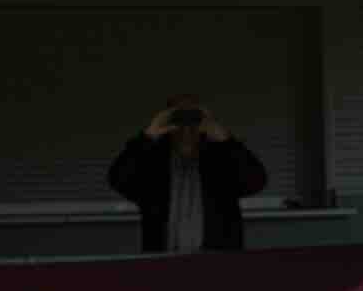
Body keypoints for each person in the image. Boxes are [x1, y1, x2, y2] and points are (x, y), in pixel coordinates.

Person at [108, 94, 267, 253]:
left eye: (194, 117)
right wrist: (148, 136)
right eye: (178, 117)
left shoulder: (221, 160)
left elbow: (256, 181)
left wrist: (226, 140)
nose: (186, 128)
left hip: (219, 266)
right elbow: (118, 179)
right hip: (162, 267)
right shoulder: (153, 165)